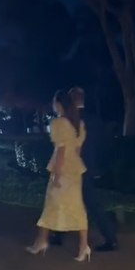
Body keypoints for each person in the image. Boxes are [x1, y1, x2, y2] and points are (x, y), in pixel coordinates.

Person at [51, 86, 118, 252]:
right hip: (91, 167)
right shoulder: (94, 119)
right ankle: (60, 234)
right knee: (81, 202)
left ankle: (109, 238)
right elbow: (104, 144)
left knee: (75, 201)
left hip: (75, 168)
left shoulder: (71, 120)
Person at [26, 89, 90, 262]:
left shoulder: (59, 123)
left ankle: (41, 242)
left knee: (51, 205)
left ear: (59, 104)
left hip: (63, 169)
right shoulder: (78, 124)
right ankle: (83, 246)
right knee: (76, 206)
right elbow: (77, 150)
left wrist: (57, 175)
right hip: (75, 169)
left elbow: (61, 150)